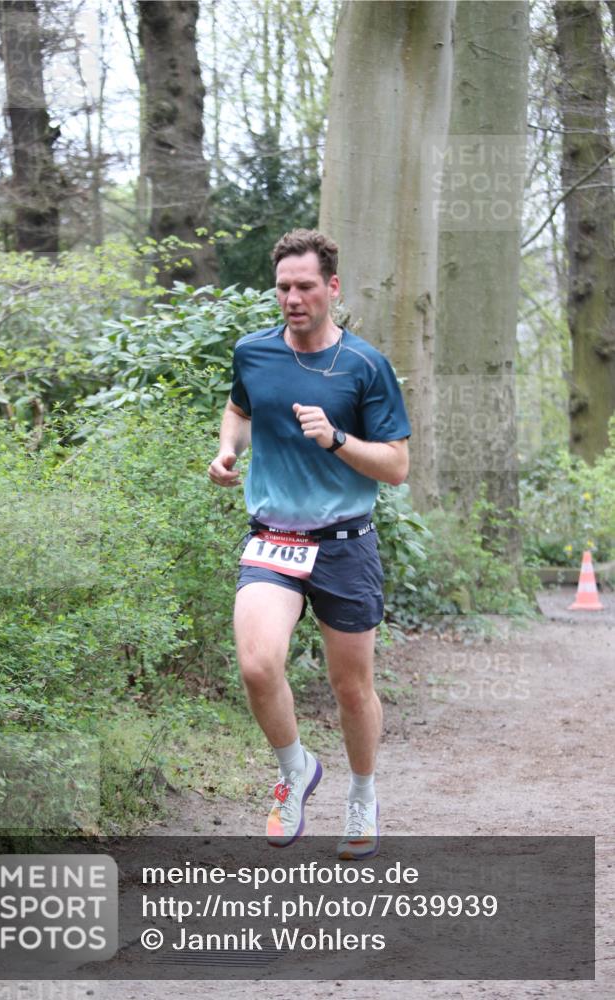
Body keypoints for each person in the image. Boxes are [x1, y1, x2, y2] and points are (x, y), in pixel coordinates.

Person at [208, 229, 410, 859]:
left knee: (352, 689)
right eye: (283, 287)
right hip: (273, 539)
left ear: (332, 288)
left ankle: (362, 793)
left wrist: (337, 440)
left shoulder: (365, 366)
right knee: (256, 663)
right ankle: (294, 770)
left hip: (345, 544)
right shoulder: (253, 352)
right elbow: (241, 409)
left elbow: (397, 466)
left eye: (305, 286)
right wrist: (226, 449)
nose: (293, 298)